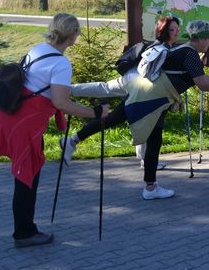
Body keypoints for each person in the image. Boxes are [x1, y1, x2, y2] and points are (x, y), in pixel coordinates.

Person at [0, 14, 108, 247]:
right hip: (23, 123)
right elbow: (60, 102)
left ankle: (25, 229)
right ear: (73, 36)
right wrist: (95, 113)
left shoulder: (37, 49)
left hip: (6, 111)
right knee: (27, 176)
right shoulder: (61, 63)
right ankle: (24, 233)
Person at [62, 20, 209, 200]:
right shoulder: (190, 55)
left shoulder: (182, 49)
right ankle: (150, 187)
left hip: (145, 93)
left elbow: (202, 78)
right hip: (151, 100)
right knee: (152, 140)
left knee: (115, 121)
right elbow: (203, 84)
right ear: (202, 38)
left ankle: (72, 140)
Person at [71, 15, 181, 169]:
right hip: (137, 86)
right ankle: (146, 165)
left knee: (107, 93)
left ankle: (69, 91)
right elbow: (152, 74)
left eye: (177, 29)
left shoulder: (163, 48)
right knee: (141, 119)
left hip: (131, 80)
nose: (176, 32)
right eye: (172, 29)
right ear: (163, 31)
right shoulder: (162, 49)